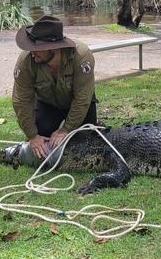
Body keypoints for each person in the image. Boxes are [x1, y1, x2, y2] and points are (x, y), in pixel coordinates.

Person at [12, 15, 97, 159]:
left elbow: (82, 99)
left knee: (86, 141)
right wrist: (32, 135)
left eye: (37, 48)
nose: (32, 52)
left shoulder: (82, 56)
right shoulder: (26, 60)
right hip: (48, 103)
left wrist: (65, 130)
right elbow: (21, 100)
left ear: (54, 48)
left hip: (77, 103)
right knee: (41, 136)